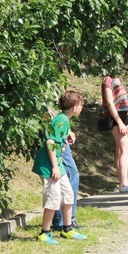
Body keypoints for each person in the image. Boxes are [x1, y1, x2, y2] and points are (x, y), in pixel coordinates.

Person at [32, 91, 88, 244]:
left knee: (68, 194)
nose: (82, 108)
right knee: (53, 197)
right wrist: (55, 167)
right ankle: (45, 232)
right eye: (81, 105)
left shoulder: (64, 120)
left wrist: (69, 133)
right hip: (49, 166)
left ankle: (67, 229)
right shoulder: (61, 120)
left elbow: (56, 131)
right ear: (74, 107)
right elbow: (50, 142)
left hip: (57, 164)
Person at [102, 74, 128, 193]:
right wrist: (119, 121)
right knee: (126, 149)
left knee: (120, 149)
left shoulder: (117, 78)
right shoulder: (108, 79)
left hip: (123, 115)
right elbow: (109, 102)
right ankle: (124, 183)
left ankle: (122, 181)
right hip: (116, 117)